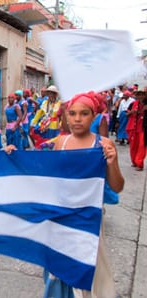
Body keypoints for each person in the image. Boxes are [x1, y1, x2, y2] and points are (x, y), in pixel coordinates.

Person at [44, 92, 124, 298]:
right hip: (60, 217)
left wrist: (112, 162)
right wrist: (12, 154)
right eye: (72, 113)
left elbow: (117, 187)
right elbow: (47, 177)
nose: (77, 119)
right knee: (59, 270)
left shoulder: (103, 145)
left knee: (85, 271)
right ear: (66, 116)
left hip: (88, 220)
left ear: (94, 116)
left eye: (84, 113)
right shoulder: (60, 142)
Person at [126, 90, 146, 171]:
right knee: (133, 146)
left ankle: (139, 164)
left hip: (143, 129)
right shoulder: (132, 104)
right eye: (138, 94)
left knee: (142, 146)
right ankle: (134, 162)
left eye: (142, 94)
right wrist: (132, 112)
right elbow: (126, 115)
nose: (140, 96)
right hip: (133, 128)